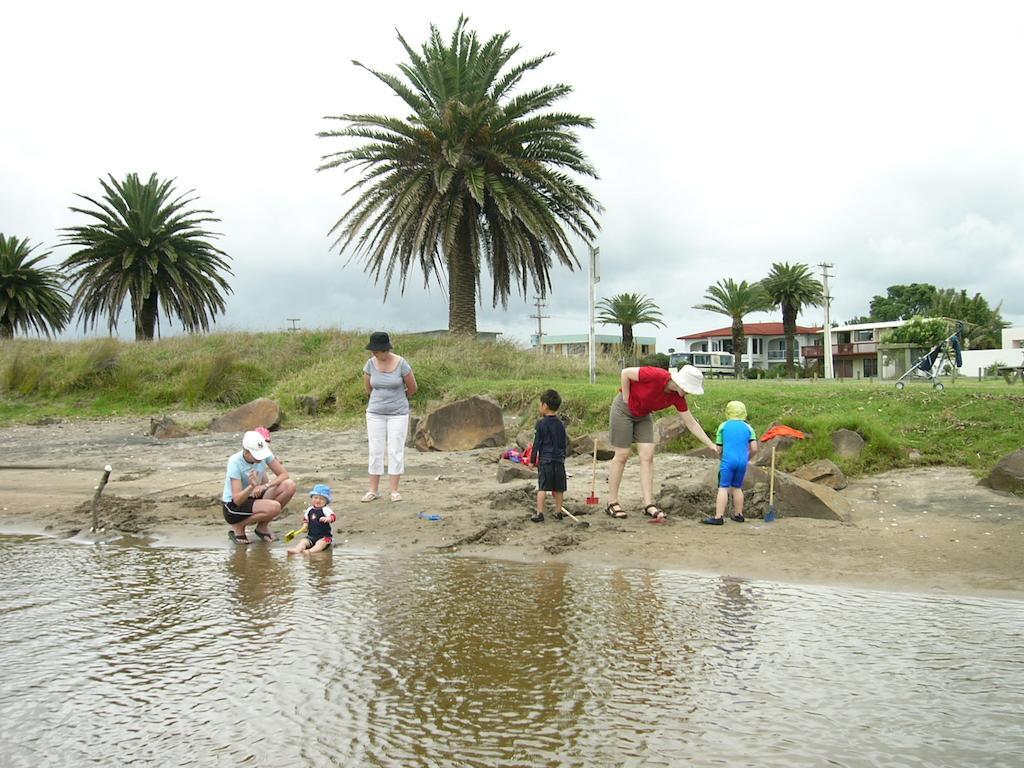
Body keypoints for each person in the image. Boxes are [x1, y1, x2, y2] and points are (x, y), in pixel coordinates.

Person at [606, 364, 719, 520]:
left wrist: (710, 444)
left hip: (643, 415)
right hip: (623, 410)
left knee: (648, 456)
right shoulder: (656, 375)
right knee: (623, 454)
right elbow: (625, 373)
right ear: (681, 382)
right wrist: (626, 397)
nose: (688, 393)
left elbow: (691, 423)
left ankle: (648, 504)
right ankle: (612, 502)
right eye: (689, 388)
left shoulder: (678, 397)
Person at [362, 331, 418, 503]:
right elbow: (368, 388)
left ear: (385, 350)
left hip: (398, 413)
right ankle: (373, 490)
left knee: (395, 449)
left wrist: (398, 399)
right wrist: (382, 400)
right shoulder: (370, 364)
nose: (374, 354)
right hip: (375, 412)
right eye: (373, 351)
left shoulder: (401, 363)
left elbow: (413, 387)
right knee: (375, 449)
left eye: (377, 351)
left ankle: (394, 490)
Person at [222, 430, 297, 544]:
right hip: (234, 507)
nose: (260, 458)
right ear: (246, 452)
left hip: (255, 496)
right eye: (256, 455)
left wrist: (265, 486)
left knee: (289, 485)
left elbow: (284, 475)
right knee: (274, 507)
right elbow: (236, 500)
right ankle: (238, 526)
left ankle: (262, 527)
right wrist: (251, 487)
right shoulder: (235, 462)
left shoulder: (265, 455)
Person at [702, 401, 758, 525]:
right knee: (737, 487)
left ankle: (719, 517)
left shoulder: (723, 426)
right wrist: (747, 458)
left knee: (723, 487)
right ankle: (739, 514)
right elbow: (754, 448)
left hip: (728, 461)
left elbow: (719, 448)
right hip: (742, 462)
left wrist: (721, 457)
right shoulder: (748, 428)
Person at [529, 389, 569, 523]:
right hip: (558, 460)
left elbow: (537, 444)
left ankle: (539, 512)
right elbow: (564, 443)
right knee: (559, 488)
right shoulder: (561, 424)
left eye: (540, 404)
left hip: (545, 460)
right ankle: (558, 511)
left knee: (543, 487)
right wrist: (562, 456)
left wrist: (532, 460)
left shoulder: (540, 424)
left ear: (545, 405)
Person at [287, 484, 337, 554]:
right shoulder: (309, 510)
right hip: (311, 537)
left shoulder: (326, 510)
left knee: (320, 544)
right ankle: (297, 550)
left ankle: (310, 551)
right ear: (312, 498)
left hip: (324, 537)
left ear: (326, 501)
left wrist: (328, 519)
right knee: (303, 541)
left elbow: (333, 516)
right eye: (315, 498)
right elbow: (306, 519)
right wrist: (305, 526)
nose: (318, 500)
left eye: (321, 499)